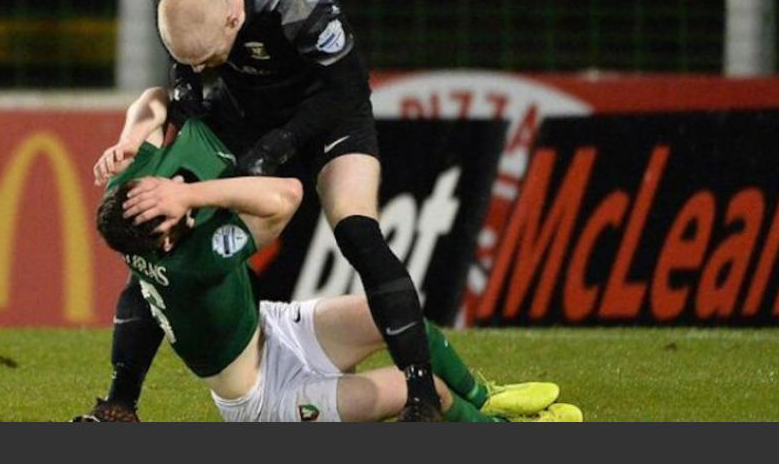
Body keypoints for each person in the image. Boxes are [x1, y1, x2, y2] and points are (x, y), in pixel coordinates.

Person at [83, 0, 557, 422]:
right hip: (249, 110)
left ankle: (425, 398)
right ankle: (121, 402)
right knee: (150, 237)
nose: (200, 70)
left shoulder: (301, 6)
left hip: (328, 112)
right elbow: (271, 188)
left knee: (358, 234)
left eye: (207, 58)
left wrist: (276, 146)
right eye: (189, 62)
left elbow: (344, 90)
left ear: (232, 20)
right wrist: (186, 110)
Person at [83, 88, 581, 422]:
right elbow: (287, 196)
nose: (173, 195)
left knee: (395, 317)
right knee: (425, 390)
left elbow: (154, 98)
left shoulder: (132, 201)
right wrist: (190, 194)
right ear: (167, 241)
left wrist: (129, 140)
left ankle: (489, 399)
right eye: (173, 209)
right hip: (265, 399)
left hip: (270, 330)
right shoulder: (195, 264)